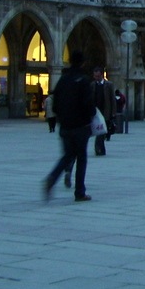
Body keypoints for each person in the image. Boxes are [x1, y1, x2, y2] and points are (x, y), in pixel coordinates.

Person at [43, 51, 96, 202]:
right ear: (83, 63)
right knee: (81, 158)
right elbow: (88, 104)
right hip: (80, 126)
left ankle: (52, 178)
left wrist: (61, 117)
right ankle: (80, 192)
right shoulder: (83, 80)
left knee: (67, 156)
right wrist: (90, 117)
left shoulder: (63, 79)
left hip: (65, 126)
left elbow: (55, 101)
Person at [91, 66, 115, 157]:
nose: (96, 78)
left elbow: (112, 100)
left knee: (102, 131)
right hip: (95, 112)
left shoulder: (109, 85)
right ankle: (101, 149)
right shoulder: (92, 85)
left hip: (105, 112)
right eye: (94, 76)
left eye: (97, 76)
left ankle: (99, 148)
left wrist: (113, 112)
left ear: (101, 75)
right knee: (99, 131)